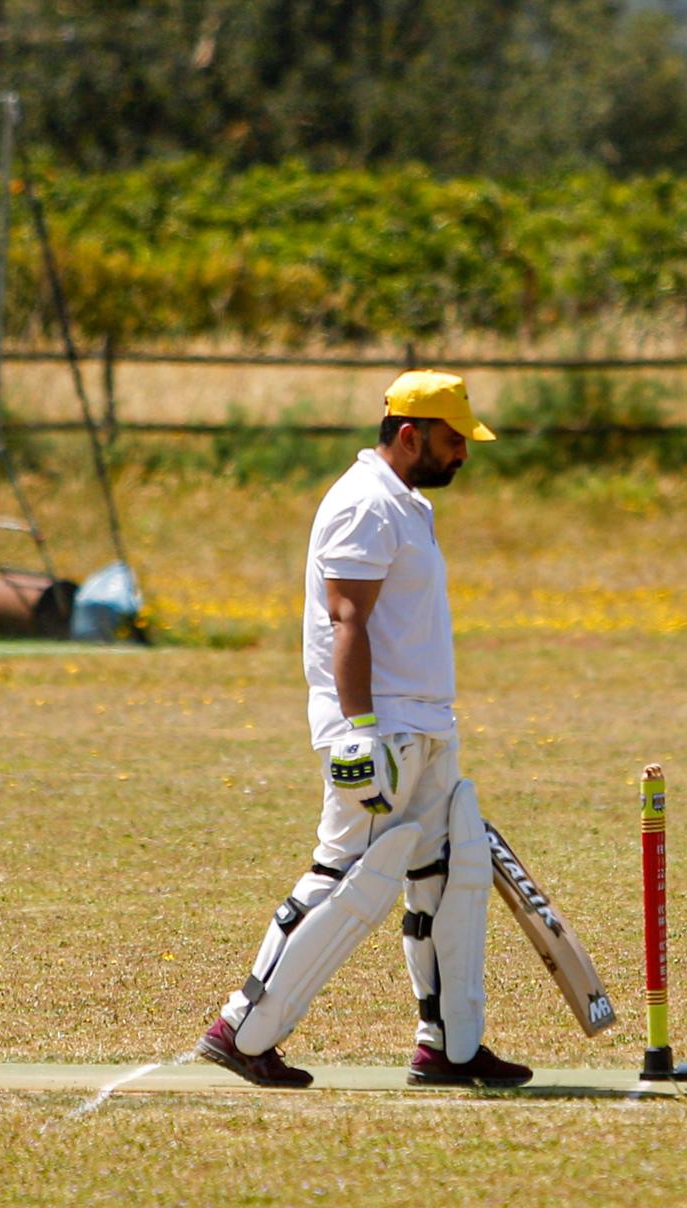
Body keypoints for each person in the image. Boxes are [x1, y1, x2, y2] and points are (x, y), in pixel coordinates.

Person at [196, 370, 532, 1089]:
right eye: (451, 440)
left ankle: (448, 1046)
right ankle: (240, 1026)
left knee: (446, 875)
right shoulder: (363, 504)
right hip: (382, 727)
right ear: (408, 434)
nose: (463, 455)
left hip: (424, 722)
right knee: (346, 876)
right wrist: (360, 732)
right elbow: (346, 618)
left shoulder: (407, 503)